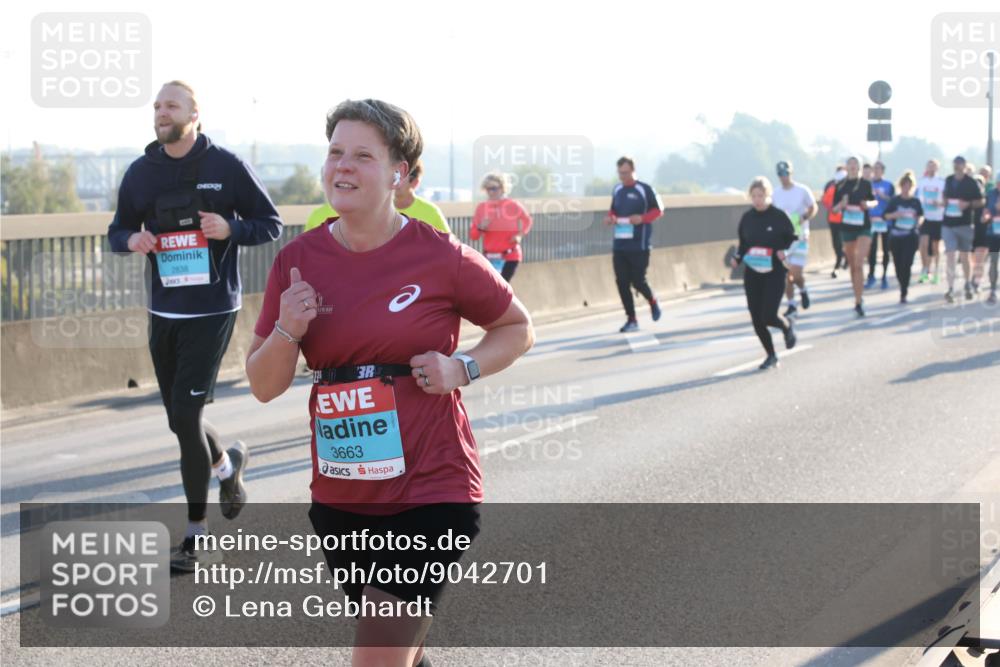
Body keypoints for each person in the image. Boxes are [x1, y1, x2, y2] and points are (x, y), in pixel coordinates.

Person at [245, 98, 534, 667]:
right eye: (334, 153)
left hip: (430, 490)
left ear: (399, 173)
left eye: (361, 155)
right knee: (402, 653)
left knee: (377, 656)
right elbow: (262, 384)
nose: (342, 166)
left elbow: (516, 326)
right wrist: (287, 328)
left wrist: (461, 368)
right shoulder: (296, 261)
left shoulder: (439, 256)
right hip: (342, 495)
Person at [107, 80, 283, 571]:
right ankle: (228, 469)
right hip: (163, 312)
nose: (162, 113)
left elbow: (270, 223)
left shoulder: (225, 165)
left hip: (211, 310)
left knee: (185, 419)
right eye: (158, 106)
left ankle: (195, 534)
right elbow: (115, 232)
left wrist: (232, 228)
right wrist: (133, 242)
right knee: (178, 420)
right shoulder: (141, 172)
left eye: (171, 105)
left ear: (194, 113)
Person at [730, 176, 797, 370]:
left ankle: (786, 326)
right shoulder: (747, 218)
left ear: (768, 196)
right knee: (756, 318)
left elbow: (793, 239)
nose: (757, 200)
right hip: (753, 272)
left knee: (768, 315)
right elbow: (743, 244)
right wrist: (737, 257)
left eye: (761, 195)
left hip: (774, 271)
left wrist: (785, 251)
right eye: (754, 196)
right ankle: (771, 355)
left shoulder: (779, 216)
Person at [303, 159, 451, 234]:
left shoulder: (431, 213)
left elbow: (450, 250)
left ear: (416, 183)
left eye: (401, 176)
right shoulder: (317, 216)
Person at [603, 156, 663, 332]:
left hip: (640, 245)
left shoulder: (645, 189)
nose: (623, 176)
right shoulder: (617, 189)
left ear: (633, 171)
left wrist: (642, 218)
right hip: (620, 244)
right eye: (620, 173)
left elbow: (659, 210)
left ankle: (652, 301)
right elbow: (613, 210)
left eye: (626, 173)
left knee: (638, 281)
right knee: (621, 282)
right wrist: (610, 219)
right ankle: (631, 319)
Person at [771, 160, 817, 318]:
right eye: (780, 174)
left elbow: (813, 207)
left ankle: (803, 289)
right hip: (783, 240)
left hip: (800, 237)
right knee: (785, 275)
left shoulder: (802, 190)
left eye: (786, 173)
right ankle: (791, 304)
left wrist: (803, 217)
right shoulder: (775, 193)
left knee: (795, 274)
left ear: (791, 173)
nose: (784, 177)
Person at [832, 156, 876, 317]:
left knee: (858, 262)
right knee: (852, 265)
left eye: (855, 164)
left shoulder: (865, 183)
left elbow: (874, 201)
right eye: (849, 164)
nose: (852, 166)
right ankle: (858, 299)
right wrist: (841, 205)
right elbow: (834, 210)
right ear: (846, 167)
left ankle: (859, 298)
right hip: (847, 228)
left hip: (863, 227)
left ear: (858, 167)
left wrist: (867, 205)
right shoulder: (840, 185)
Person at [469, 172, 533, 282]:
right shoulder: (481, 208)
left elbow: (528, 220)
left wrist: (520, 235)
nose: (490, 192)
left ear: (503, 188)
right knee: (492, 289)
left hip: (510, 256)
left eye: (494, 188)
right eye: (487, 189)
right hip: (489, 258)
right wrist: (480, 227)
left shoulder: (512, 205)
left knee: (501, 288)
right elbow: (473, 236)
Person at [941, 155, 986, 303]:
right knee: (950, 255)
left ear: (965, 166)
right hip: (948, 223)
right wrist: (944, 201)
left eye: (960, 164)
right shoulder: (948, 180)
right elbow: (944, 197)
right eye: (955, 164)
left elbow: (981, 201)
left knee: (965, 256)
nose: (957, 166)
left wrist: (967, 204)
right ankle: (950, 288)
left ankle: (967, 283)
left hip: (965, 224)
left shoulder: (971, 182)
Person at [883, 170, 924, 304]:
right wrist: (895, 215)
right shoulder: (895, 200)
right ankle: (902, 284)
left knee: (907, 263)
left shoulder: (915, 201)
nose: (906, 188)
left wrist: (918, 222)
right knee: (898, 264)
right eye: (904, 185)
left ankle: (904, 290)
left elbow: (920, 215)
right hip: (896, 236)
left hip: (910, 236)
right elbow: (885, 216)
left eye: (909, 185)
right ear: (901, 185)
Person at [916, 159, 946, 285]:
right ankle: (925, 269)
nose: (931, 169)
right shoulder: (922, 182)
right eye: (929, 166)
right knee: (923, 245)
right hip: (925, 217)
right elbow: (918, 199)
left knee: (935, 247)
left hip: (938, 218)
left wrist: (938, 203)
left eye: (934, 166)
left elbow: (946, 201)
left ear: (937, 168)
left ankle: (936, 270)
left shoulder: (941, 182)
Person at [866, 161, 895, 290]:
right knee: (871, 250)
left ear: (883, 171)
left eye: (878, 169)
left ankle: (884, 276)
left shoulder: (888, 185)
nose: (876, 171)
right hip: (872, 221)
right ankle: (871, 275)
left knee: (885, 250)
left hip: (885, 222)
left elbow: (893, 202)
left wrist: (884, 196)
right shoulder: (868, 184)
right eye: (874, 169)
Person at [821, 165, 848, 277]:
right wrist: (832, 206)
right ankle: (843, 257)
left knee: (843, 242)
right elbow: (825, 200)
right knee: (836, 243)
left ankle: (838, 264)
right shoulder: (831, 186)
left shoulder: (849, 186)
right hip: (833, 219)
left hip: (846, 219)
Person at [971, 165, 993, 293]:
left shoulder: (989, 195)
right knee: (974, 257)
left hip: (984, 228)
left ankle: (977, 280)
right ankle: (974, 276)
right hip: (970, 229)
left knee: (981, 254)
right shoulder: (968, 197)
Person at [983, 172, 1000, 304]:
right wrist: (986, 216)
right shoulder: (991, 194)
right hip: (993, 233)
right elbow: (986, 210)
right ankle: (993, 290)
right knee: (993, 261)